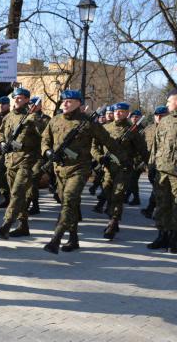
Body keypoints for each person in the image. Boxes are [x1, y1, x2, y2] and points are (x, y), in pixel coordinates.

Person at [42, 90, 127, 253]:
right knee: (69, 204)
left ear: (78, 104)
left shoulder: (88, 123)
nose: (65, 103)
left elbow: (108, 141)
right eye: (63, 101)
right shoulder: (55, 120)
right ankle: (73, 239)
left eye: (69, 101)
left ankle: (56, 238)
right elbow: (45, 139)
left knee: (68, 200)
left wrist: (123, 160)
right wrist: (47, 152)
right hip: (59, 169)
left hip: (80, 169)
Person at [147, 89, 177, 253]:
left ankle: (173, 238)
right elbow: (156, 145)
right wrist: (151, 166)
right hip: (162, 171)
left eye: (169, 102)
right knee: (161, 205)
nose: (167, 105)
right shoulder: (165, 121)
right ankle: (161, 236)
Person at [92, 102, 148, 240]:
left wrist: (140, 164)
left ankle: (113, 223)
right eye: (117, 111)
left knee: (118, 195)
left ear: (127, 113)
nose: (118, 113)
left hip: (123, 169)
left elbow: (142, 150)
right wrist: (99, 157)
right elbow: (94, 146)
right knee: (107, 193)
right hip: (108, 168)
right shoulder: (105, 128)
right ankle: (113, 217)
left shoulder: (132, 131)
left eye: (122, 111)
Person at [0, 88, 42, 239]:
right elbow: (1, 133)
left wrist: (35, 119)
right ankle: (23, 226)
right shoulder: (8, 117)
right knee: (18, 195)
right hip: (11, 161)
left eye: (20, 98)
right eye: (15, 98)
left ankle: (6, 224)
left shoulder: (34, 118)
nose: (17, 100)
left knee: (17, 193)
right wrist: (1, 143)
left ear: (27, 99)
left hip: (27, 161)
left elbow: (45, 137)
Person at [140, 105, 168, 218]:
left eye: (162, 116)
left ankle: (153, 209)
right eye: (157, 115)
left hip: (164, 164)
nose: (159, 118)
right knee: (156, 187)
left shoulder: (169, 128)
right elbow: (141, 145)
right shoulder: (149, 129)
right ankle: (152, 208)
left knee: (159, 188)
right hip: (150, 163)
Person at [25, 96, 51, 215]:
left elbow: (44, 135)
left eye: (35, 104)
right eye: (30, 104)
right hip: (26, 154)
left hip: (40, 155)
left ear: (40, 105)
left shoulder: (46, 119)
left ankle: (30, 204)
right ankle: (33, 205)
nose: (32, 107)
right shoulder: (25, 117)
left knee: (33, 178)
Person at [0, 95, 11, 208]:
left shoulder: (11, 116)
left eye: (3, 104)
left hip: (9, 151)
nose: (0, 106)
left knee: (7, 175)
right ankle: (6, 197)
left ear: (8, 105)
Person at [125, 109, 144, 205]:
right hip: (130, 159)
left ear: (140, 118)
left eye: (137, 117)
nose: (134, 118)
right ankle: (127, 196)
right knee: (130, 179)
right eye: (133, 117)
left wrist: (142, 162)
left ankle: (136, 199)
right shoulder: (130, 128)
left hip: (138, 160)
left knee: (132, 179)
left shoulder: (142, 130)